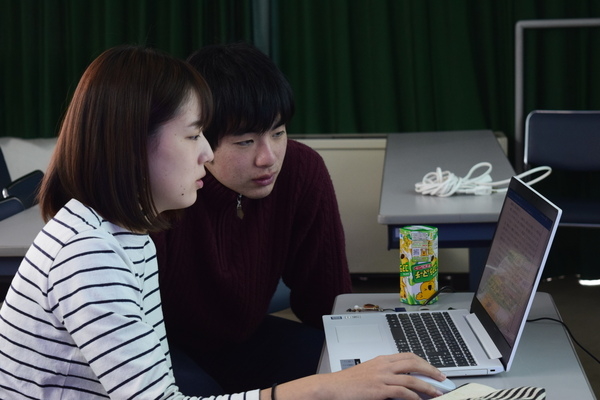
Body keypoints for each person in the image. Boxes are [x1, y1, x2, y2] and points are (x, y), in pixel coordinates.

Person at [0, 43, 448, 400]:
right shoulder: (90, 253)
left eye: (278, 133)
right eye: (195, 135)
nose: (206, 153)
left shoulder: (127, 232)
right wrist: (321, 388)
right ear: (133, 145)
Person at [150, 42, 352, 393]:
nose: (268, 158)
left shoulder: (302, 171)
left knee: (348, 366)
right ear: (201, 138)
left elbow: (326, 302)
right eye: (245, 142)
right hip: (164, 347)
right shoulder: (164, 187)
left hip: (246, 341)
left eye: (278, 133)